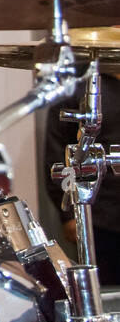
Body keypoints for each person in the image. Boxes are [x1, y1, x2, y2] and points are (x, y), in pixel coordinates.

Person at [43, 72, 120, 285]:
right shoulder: (78, 88)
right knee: (101, 292)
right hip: (98, 217)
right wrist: (68, 215)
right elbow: (58, 154)